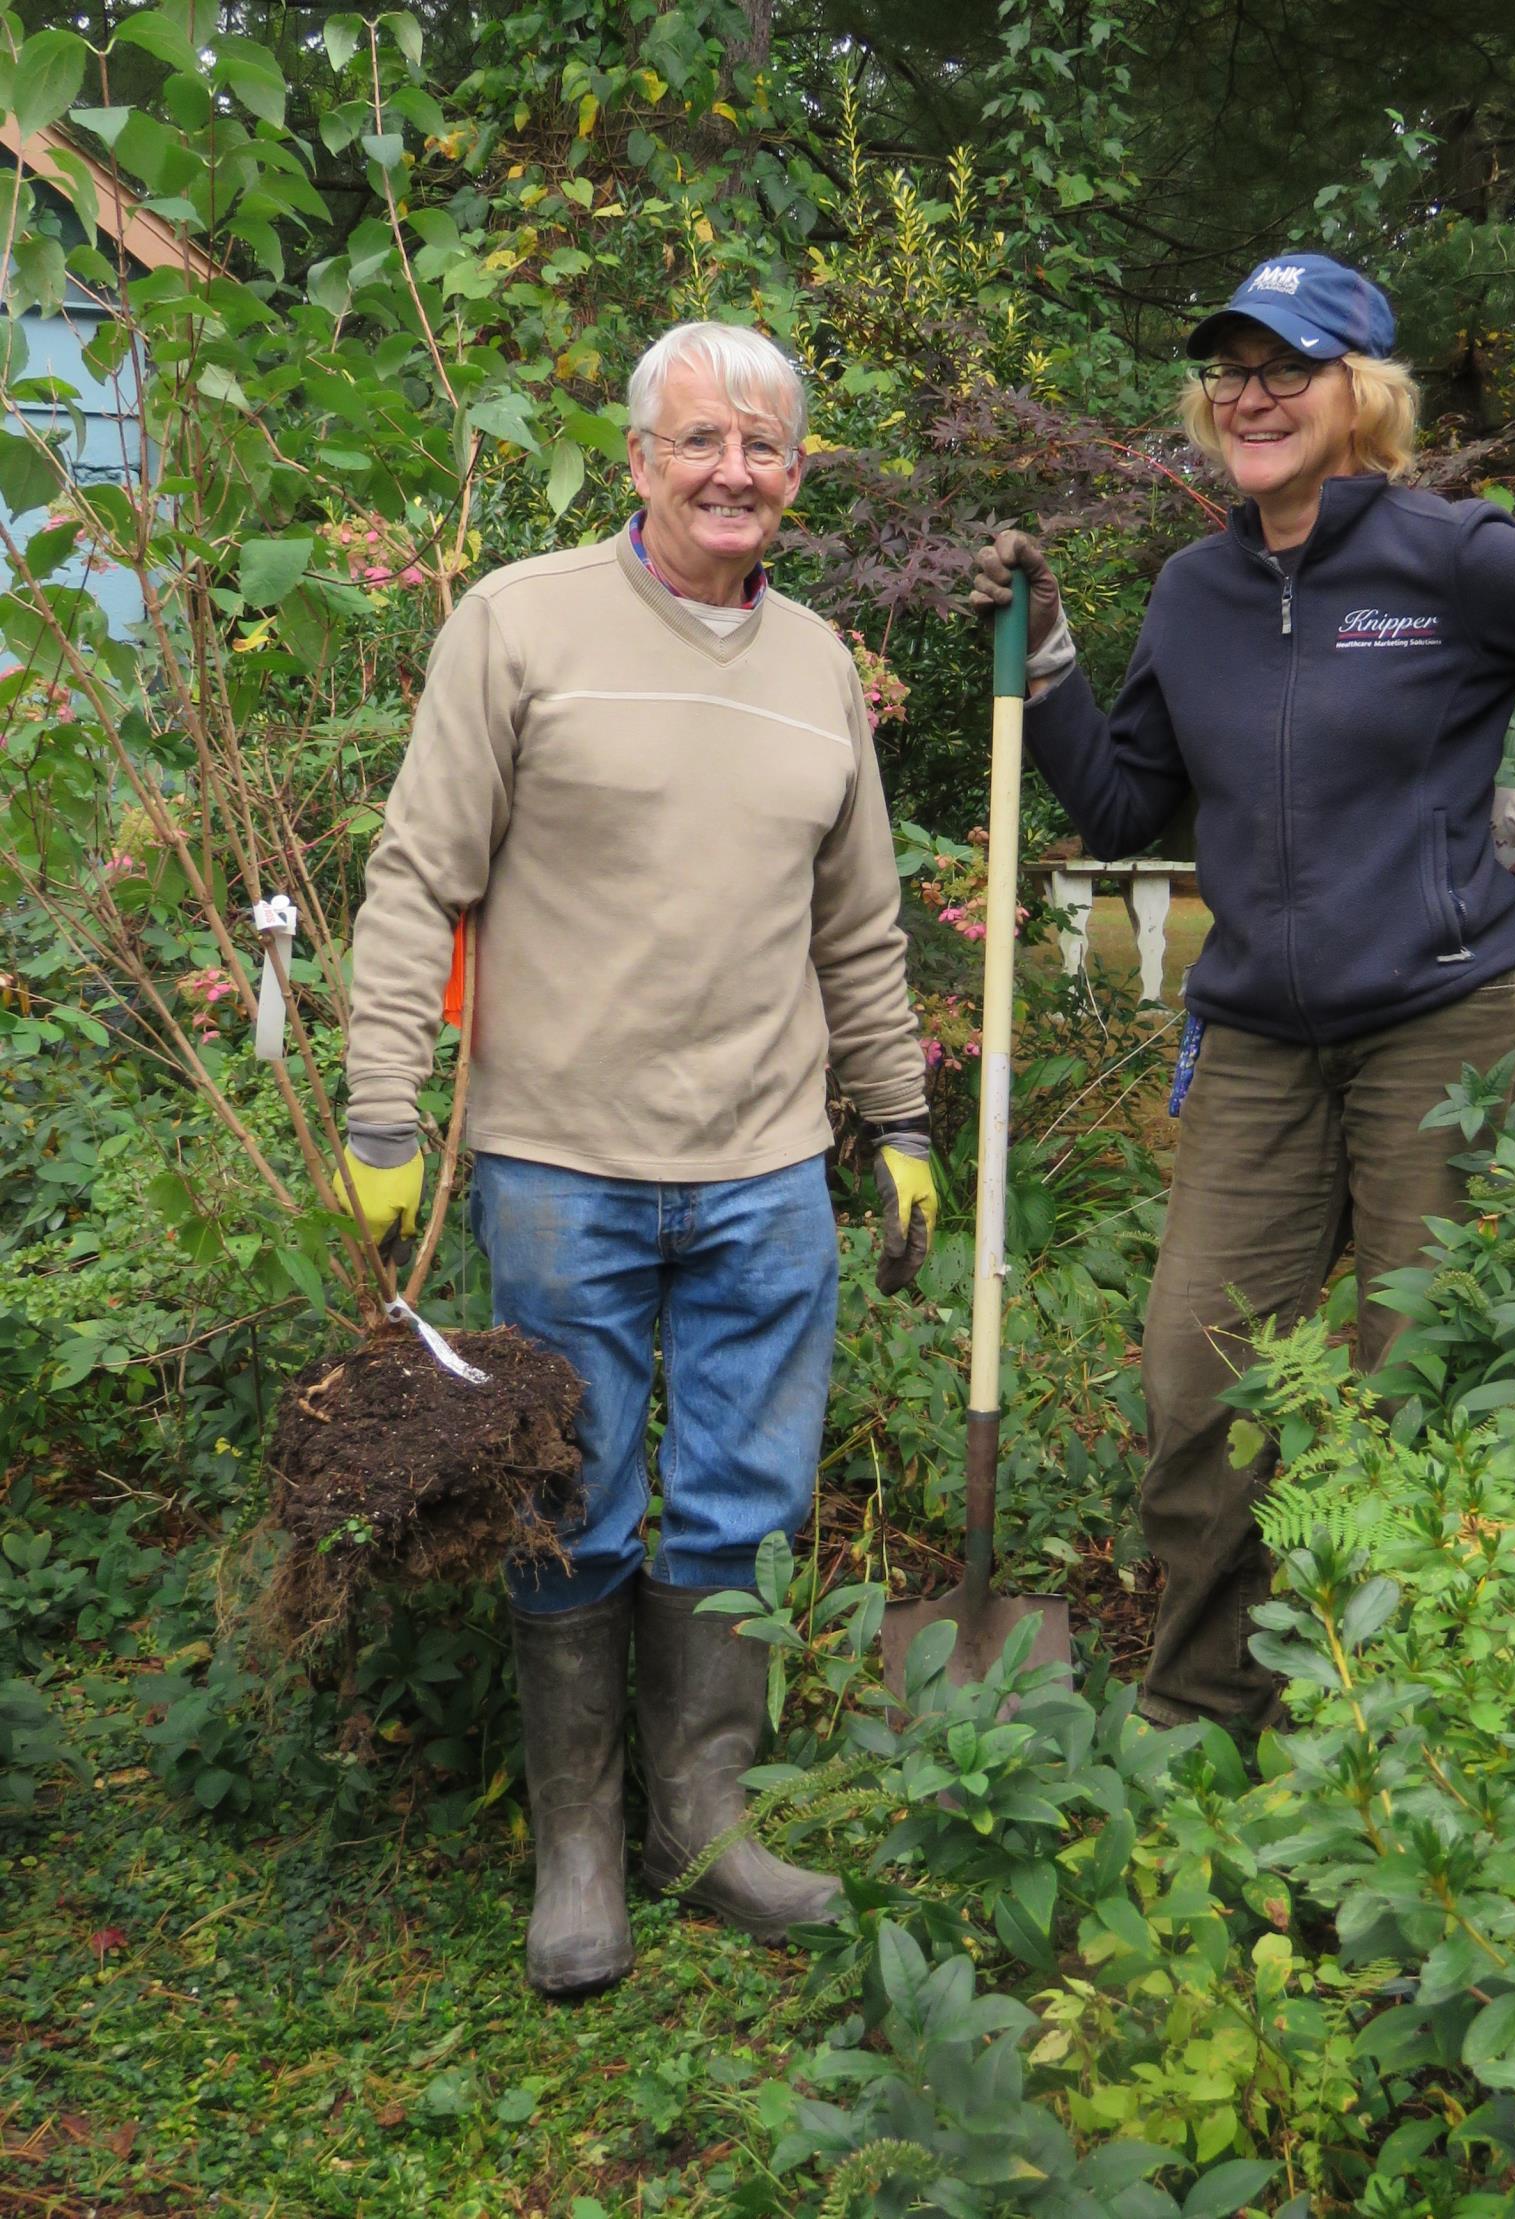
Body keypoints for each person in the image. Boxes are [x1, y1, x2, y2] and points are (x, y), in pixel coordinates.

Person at [971, 252, 1515, 1731]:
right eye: (1227, 370)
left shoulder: (1451, 557)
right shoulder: (1195, 590)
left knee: (1428, 1383)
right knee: (1199, 1382)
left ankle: (1410, 1738)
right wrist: (1056, 657)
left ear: (1362, 393)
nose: (1248, 395)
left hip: (1443, 1025)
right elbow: (1131, 807)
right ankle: (1206, 1708)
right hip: (1261, 1039)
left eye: (1285, 367)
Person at [335, 321, 938, 1995]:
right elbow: (417, 877)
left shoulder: (820, 665)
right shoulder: (519, 625)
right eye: (700, 442)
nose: (732, 471)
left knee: (743, 1498)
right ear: (639, 460)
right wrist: (385, 1110)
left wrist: (895, 1124)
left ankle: (705, 1820)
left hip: (763, 1165)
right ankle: (580, 1848)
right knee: (573, 1500)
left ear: (798, 475)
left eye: (764, 447)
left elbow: (861, 927)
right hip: (559, 1161)